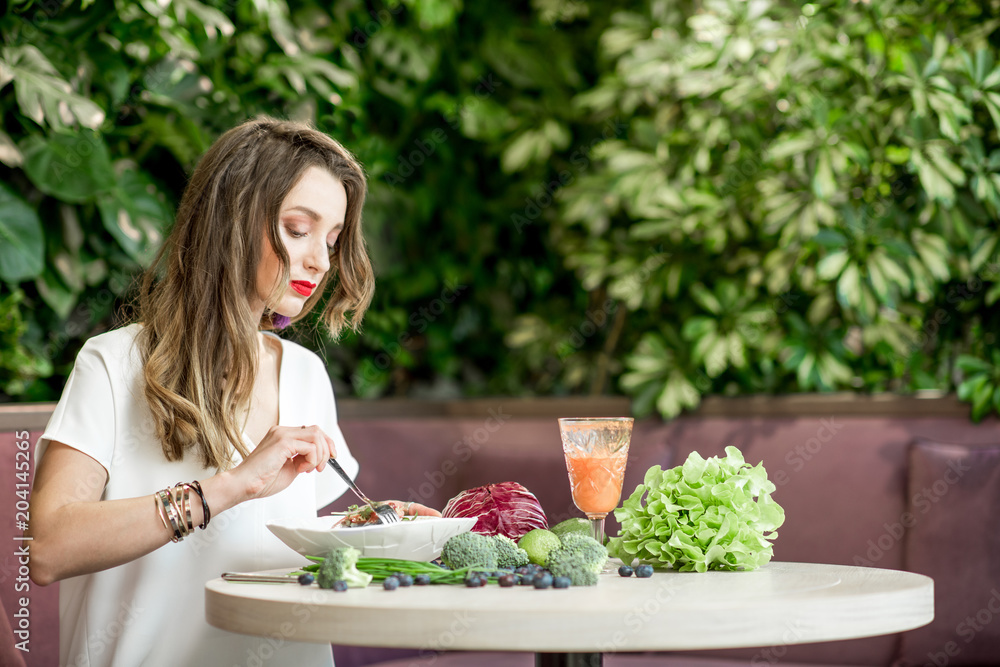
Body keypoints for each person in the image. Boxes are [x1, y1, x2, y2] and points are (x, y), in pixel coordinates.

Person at [27, 116, 438, 667]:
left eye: (333, 240)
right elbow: (50, 547)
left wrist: (378, 527)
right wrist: (229, 487)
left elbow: (265, 543)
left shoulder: (305, 374)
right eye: (298, 229)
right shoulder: (113, 364)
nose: (320, 260)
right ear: (232, 222)